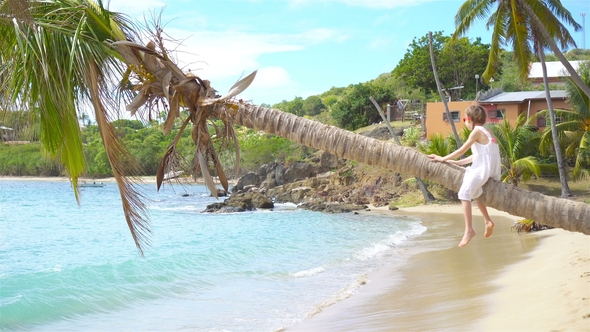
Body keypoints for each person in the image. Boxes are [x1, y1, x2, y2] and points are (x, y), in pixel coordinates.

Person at [428, 105, 502, 247]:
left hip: (482, 169)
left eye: (464, 119)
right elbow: (477, 156)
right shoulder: (487, 131)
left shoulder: (475, 132)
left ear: (469, 119)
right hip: (490, 169)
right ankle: (487, 220)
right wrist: (455, 163)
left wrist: (442, 159)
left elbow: (462, 150)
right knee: (475, 193)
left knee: (464, 193)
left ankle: (469, 230)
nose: (464, 122)